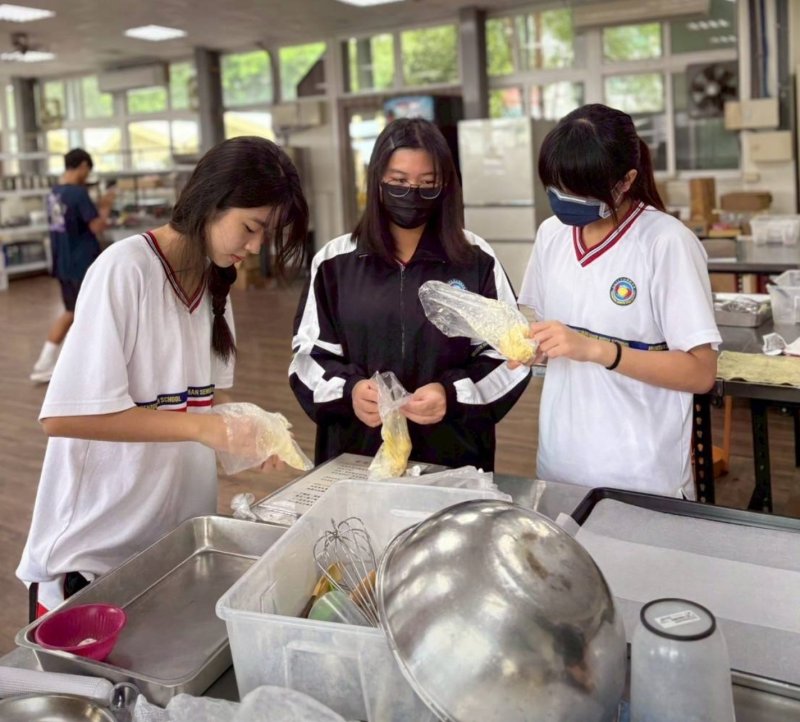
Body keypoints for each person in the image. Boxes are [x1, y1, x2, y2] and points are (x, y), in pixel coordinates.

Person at [18, 136, 309, 619]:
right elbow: (66, 417)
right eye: (251, 228)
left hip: (169, 548)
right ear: (212, 202)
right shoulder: (125, 270)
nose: (256, 247)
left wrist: (246, 434)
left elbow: (205, 404)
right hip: (93, 563)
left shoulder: (215, 290)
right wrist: (205, 427)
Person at [290, 117, 531, 471]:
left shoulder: (475, 259)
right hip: (356, 456)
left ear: (445, 186)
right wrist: (349, 391)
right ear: (377, 181)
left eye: (427, 183)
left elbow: (511, 358)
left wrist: (452, 395)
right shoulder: (334, 262)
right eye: (399, 181)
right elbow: (309, 358)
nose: (413, 193)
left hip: (454, 459)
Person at [516, 103, 720, 498]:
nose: (565, 200)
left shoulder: (666, 242)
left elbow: (700, 372)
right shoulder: (551, 235)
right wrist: (531, 345)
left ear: (626, 180)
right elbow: (534, 321)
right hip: (560, 462)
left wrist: (596, 350)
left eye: (581, 190)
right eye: (557, 187)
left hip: (641, 473)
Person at [30, 148, 115, 383]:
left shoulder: (54, 193)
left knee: (72, 311)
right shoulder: (78, 193)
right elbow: (96, 226)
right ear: (83, 166)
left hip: (63, 262)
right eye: (87, 170)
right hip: (82, 263)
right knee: (89, 313)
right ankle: (78, 365)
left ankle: (46, 361)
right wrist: (105, 206)